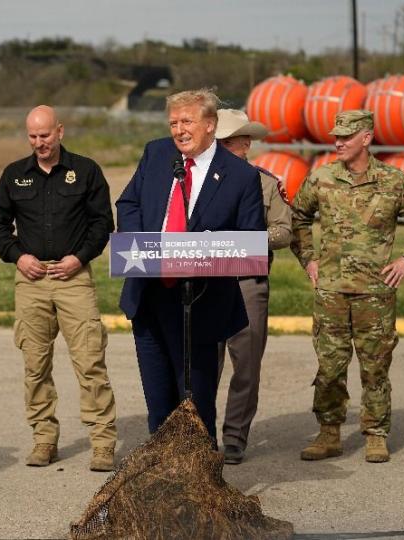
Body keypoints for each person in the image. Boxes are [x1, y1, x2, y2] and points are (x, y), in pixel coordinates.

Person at [116, 89, 266, 442]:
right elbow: (128, 202)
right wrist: (146, 247)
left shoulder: (240, 177)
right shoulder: (157, 154)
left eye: (187, 122)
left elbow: (252, 240)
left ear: (211, 125)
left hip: (201, 302)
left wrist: (207, 251)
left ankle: (201, 485)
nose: (179, 130)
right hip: (151, 296)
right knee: (159, 406)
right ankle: (163, 483)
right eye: (173, 123)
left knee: (197, 408)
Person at [290, 110, 404, 463]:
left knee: (375, 367)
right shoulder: (321, 178)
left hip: (376, 292)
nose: (337, 142)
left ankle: (375, 433)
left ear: (366, 139)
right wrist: (308, 258)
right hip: (332, 291)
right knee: (329, 367)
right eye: (335, 136)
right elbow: (298, 217)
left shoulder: (393, 181)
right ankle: (328, 433)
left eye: (345, 136)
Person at [0, 105, 117, 472]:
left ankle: (103, 442)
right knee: (35, 365)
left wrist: (79, 258)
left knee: (90, 361)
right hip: (31, 280)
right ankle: (44, 439)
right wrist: (18, 256)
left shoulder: (86, 171)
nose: (39, 143)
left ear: (59, 131)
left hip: (73, 277)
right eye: (32, 136)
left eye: (45, 135)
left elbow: (102, 223)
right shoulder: (14, 174)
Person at [213, 108, 292, 464]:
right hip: (208, 282)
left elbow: (283, 231)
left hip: (247, 282)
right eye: (239, 139)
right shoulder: (197, 183)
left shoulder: (265, 183)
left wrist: (246, 240)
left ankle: (234, 439)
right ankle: (199, 435)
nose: (247, 144)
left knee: (246, 365)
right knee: (202, 365)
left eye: (246, 139)